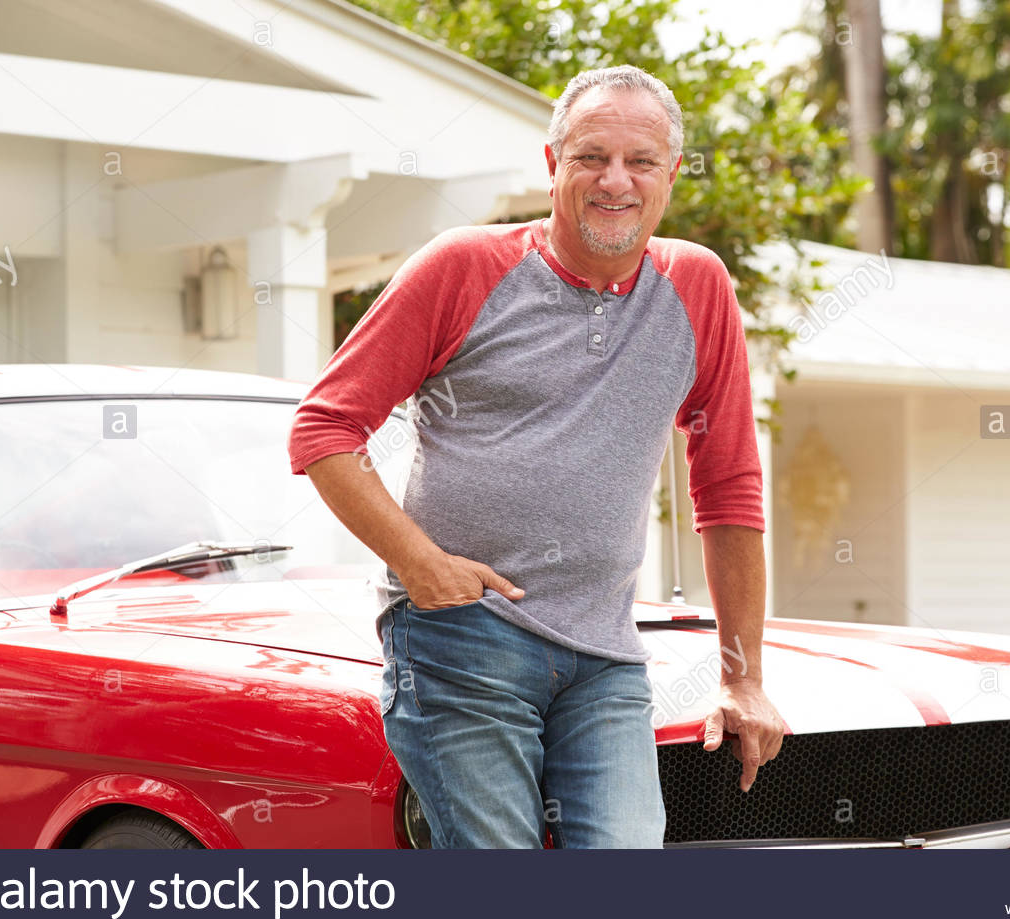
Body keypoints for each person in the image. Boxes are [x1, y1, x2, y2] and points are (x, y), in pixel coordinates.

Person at [287, 64, 783, 848]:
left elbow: (726, 485)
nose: (615, 180)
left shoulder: (697, 287)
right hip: (461, 642)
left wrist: (743, 677)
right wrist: (419, 564)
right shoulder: (462, 267)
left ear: (670, 175)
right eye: (591, 156)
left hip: (606, 659)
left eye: (640, 161)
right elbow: (323, 431)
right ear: (553, 165)